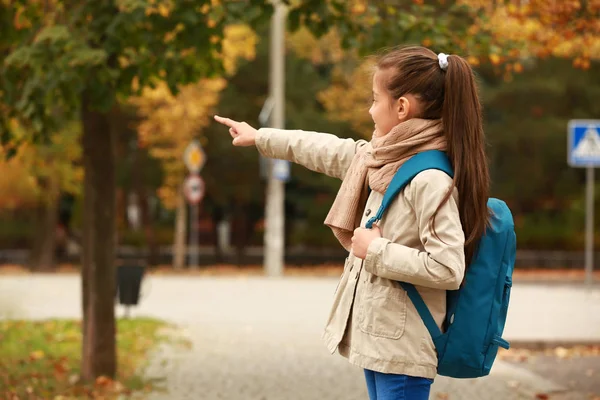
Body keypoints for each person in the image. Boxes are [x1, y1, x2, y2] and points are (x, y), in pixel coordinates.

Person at [214, 45, 490, 400]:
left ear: (402, 108)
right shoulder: (382, 159)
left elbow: (449, 267)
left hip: (403, 350)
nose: (370, 109)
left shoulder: (429, 179)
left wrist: (375, 250)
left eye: (375, 99)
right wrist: (261, 137)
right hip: (381, 338)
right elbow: (327, 149)